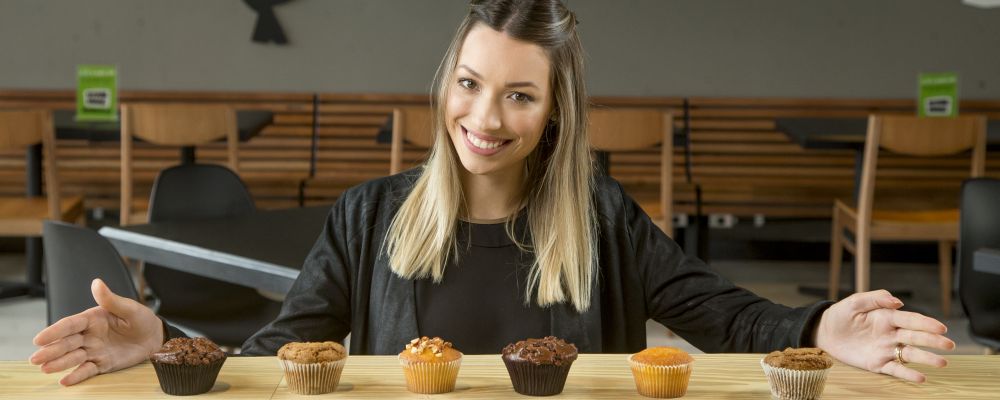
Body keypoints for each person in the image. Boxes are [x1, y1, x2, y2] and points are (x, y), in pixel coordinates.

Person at [30, 0, 954, 387]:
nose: (485, 115)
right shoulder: (368, 218)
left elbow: (725, 317)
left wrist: (820, 328)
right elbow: (284, 357)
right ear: (447, 82)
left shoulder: (601, 217)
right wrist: (171, 348)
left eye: (519, 93)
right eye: (470, 83)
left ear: (554, 112)